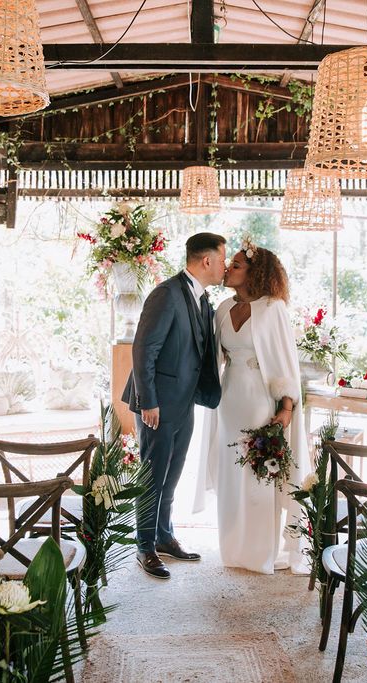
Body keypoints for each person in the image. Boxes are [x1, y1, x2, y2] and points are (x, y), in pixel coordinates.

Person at [194, 239, 308, 575]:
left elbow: (286, 364)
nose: (228, 268)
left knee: (260, 474)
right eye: (230, 264)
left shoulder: (273, 308)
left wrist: (286, 408)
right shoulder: (223, 309)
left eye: (237, 265)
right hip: (229, 400)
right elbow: (212, 357)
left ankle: (261, 553)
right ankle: (233, 549)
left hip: (260, 400)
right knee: (231, 474)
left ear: (254, 273)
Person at [122, 232, 226, 579]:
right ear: (206, 261)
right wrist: (148, 401)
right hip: (159, 405)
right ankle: (145, 546)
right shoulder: (166, 294)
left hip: (184, 404)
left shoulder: (201, 298)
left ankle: (164, 536)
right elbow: (143, 349)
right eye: (222, 259)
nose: (225, 267)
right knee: (152, 476)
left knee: (173, 474)